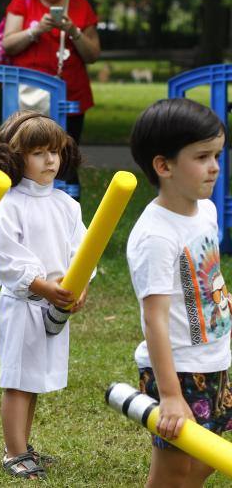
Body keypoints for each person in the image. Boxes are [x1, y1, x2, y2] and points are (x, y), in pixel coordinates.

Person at [127, 99, 231, 488]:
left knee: (207, 455)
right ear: (164, 166)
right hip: (179, 370)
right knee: (172, 473)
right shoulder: (155, 235)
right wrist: (170, 395)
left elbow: (209, 275)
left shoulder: (205, 211)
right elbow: (154, 318)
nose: (215, 166)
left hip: (214, 357)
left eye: (218, 154)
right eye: (202, 156)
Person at [0, 111, 87, 480]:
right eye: (38, 152)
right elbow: (10, 260)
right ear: (16, 157)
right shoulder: (7, 204)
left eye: (55, 151)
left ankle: (24, 445)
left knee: (36, 380)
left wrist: (80, 287)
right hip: (23, 307)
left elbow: (82, 250)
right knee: (18, 382)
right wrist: (48, 288)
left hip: (55, 307)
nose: (50, 160)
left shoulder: (67, 205)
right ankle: (13, 452)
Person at [1, 0, 100, 201]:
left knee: (66, 157)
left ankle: (68, 213)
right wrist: (36, 30)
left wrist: (74, 32)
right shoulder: (23, 0)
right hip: (28, 95)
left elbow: (93, 55)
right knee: (24, 155)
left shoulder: (80, 6)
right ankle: (23, 205)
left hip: (70, 95)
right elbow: (8, 44)